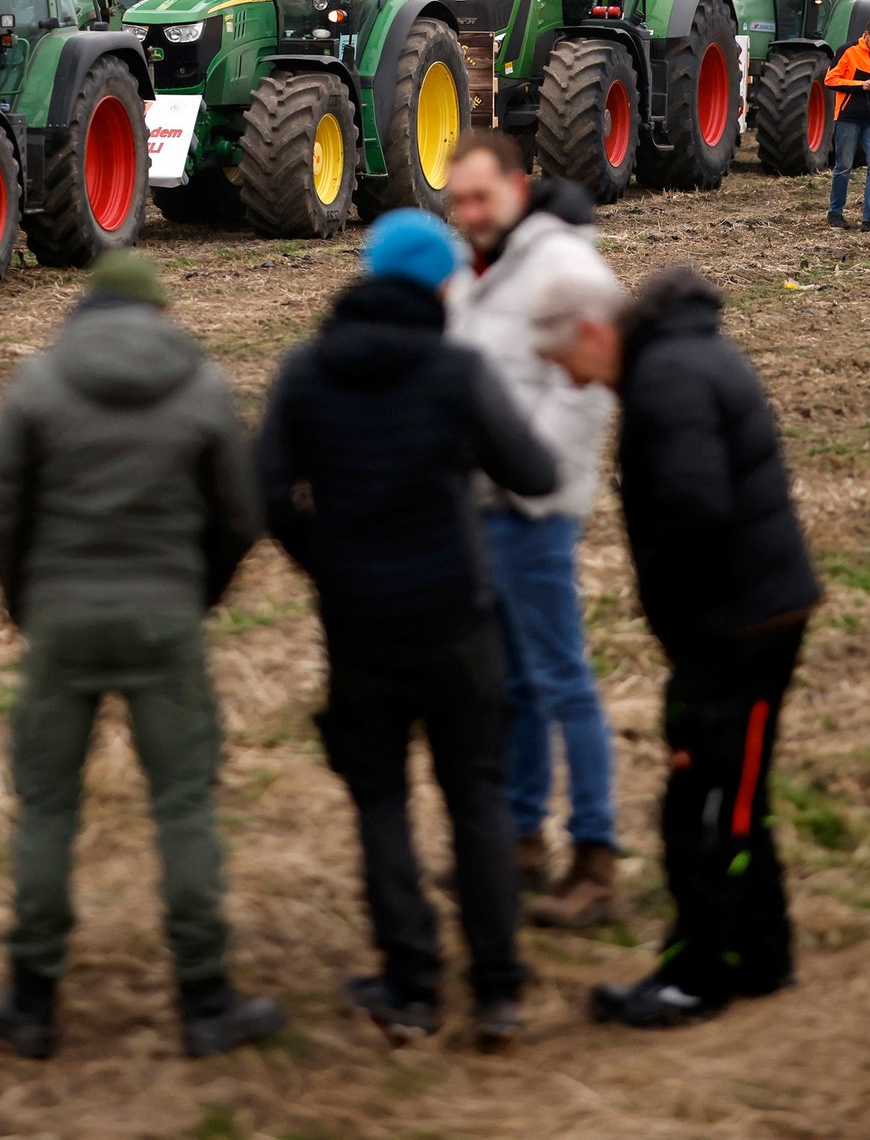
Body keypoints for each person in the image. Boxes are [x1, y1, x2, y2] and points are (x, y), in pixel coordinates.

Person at [257, 210, 558, 1051]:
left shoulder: (308, 370)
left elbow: (267, 493)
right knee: (477, 796)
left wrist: (327, 561)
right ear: (438, 282)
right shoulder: (455, 370)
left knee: (380, 800)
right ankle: (498, 990)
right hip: (456, 616)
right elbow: (532, 472)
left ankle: (411, 987)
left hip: (360, 624)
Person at [0, 250, 279, 1061]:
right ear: (160, 312)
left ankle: (33, 999)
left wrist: (25, 598)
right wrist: (197, 593)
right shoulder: (203, 386)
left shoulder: (38, 383)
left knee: (47, 809)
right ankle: (206, 996)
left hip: (63, 617)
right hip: (165, 616)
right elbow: (240, 514)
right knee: (183, 805)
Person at [532, 265, 821, 1027]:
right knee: (735, 799)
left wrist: (678, 614)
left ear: (594, 333)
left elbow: (694, 507)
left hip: (736, 628)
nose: (575, 382)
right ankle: (763, 956)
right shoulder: (678, 360)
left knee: (706, 805)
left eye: (568, 364)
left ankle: (697, 976)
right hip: (745, 618)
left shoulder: (668, 378)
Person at [445, 131, 620, 929]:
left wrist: (532, 474)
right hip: (480, 508)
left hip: (535, 511)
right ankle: (519, 842)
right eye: (458, 201)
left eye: (481, 197)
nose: (469, 213)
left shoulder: (563, 268)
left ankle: (595, 854)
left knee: (559, 679)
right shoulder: (471, 270)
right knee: (510, 685)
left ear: (519, 186)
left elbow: (589, 386)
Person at [824, 17, 870, 231]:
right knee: (843, 167)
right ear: (866, 35)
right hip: (848, 118)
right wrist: (860, 85)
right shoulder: (847, 51)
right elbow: (830, 80)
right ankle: (835, 213)